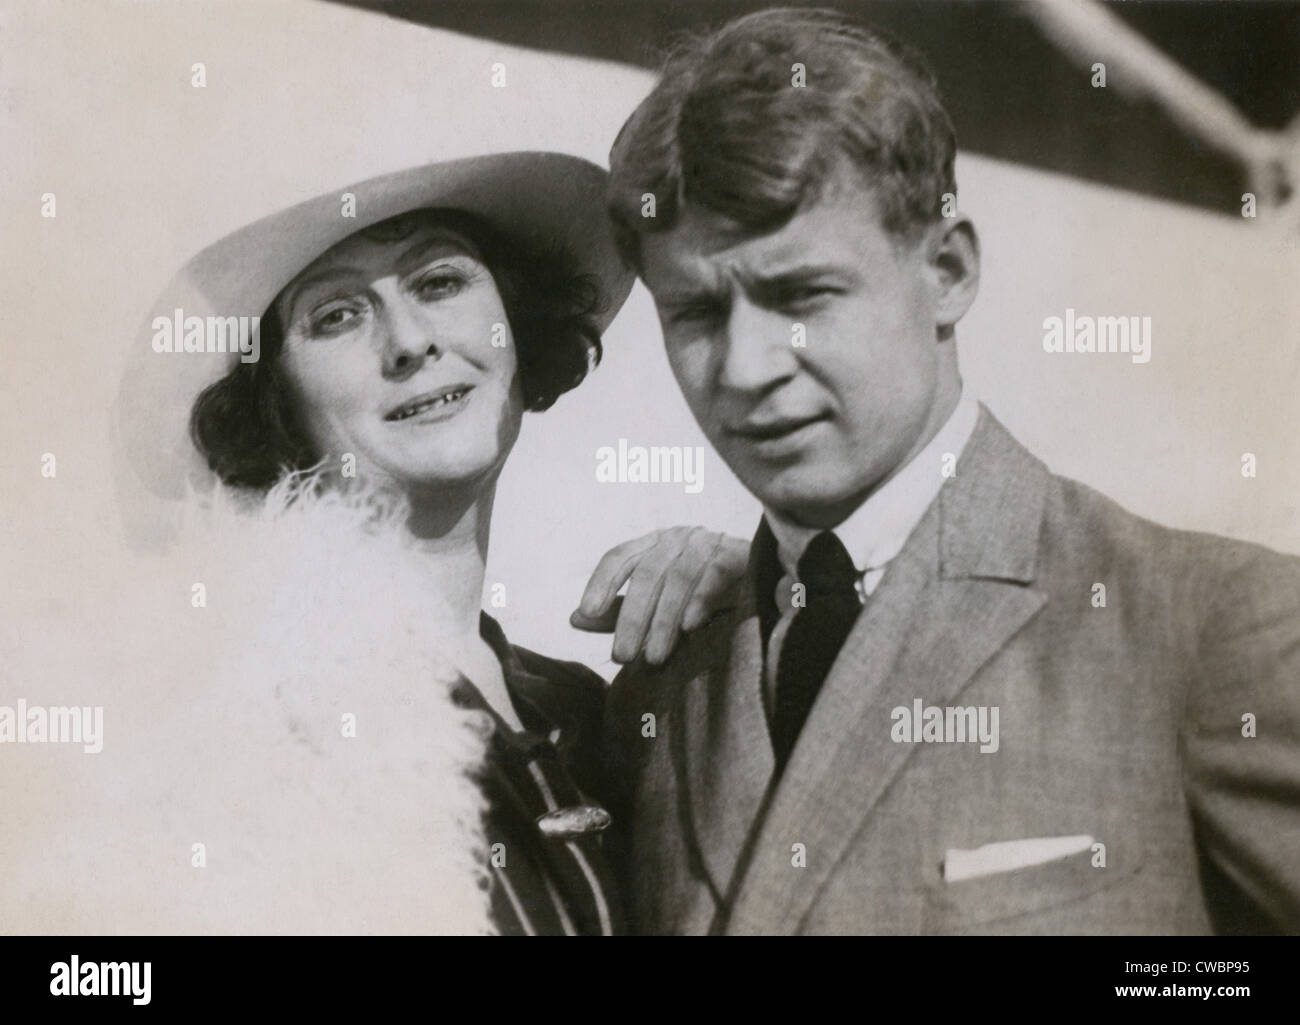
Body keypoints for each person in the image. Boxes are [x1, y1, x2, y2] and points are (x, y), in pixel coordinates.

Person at [597, 7, 1300, 935]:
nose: (746, 367)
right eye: (694, 312)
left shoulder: (1209, 628)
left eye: (800, 293)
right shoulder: (664, 684)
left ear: (950, 270)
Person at [103, 154, 745, 936]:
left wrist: (748, 613)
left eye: (439, 281)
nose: (408, 342)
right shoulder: (254, 718)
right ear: (275, 398)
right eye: (337, 314)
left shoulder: (577, 709)